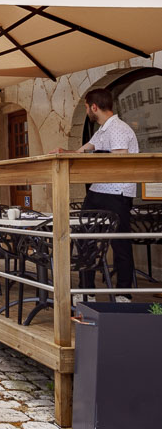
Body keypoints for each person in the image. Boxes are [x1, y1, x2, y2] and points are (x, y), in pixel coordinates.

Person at [52, 88, 138, 303]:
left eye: (87, 108)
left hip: (117, 192)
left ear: (94, 107)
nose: (87, 112)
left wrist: (89, 154)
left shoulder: (118, 128)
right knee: (86, 241)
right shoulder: (101, 131)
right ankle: (86, 292)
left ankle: (123, 295)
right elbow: (83, 152)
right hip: (98, 191)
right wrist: (64, 153)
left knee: (120, 244)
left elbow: (119, 158)